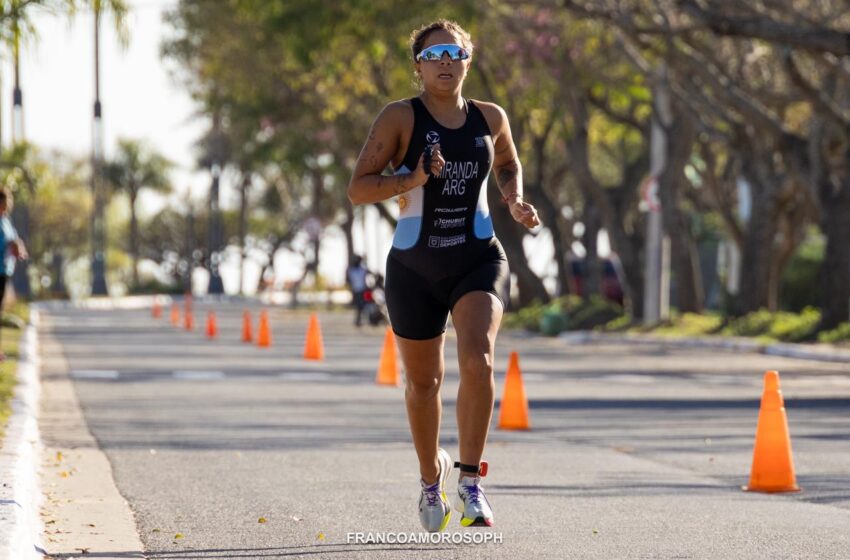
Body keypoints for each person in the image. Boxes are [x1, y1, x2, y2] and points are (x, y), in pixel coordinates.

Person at [347, 20, 540, 532]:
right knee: (423, 383)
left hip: (477, 257)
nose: (445, 62)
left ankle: (471, 482)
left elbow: (508, 162)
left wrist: (514, 199)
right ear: (418, 66)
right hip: (414, 266)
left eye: (455, 53)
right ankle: (432, 478)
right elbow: (359, 189)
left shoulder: (490, 117)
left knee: (477, 360)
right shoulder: (399, 119)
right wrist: (411, 178)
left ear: (468, 61)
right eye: (434, 55)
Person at [0, 187, 27, 362]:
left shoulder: (6, 221)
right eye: (5, 200)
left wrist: (18, 247)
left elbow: (14, 240)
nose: (8, 204)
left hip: (5, 270)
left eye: (9, 200)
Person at [346, 255, 370, 327]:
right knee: (359, 306)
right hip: (356, 291)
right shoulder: (351, 270)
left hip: (362, 290)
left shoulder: (361, 269)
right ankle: (358, 320)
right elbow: (348, 280)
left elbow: (368, 272)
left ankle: (359, 319)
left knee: (362, 305)